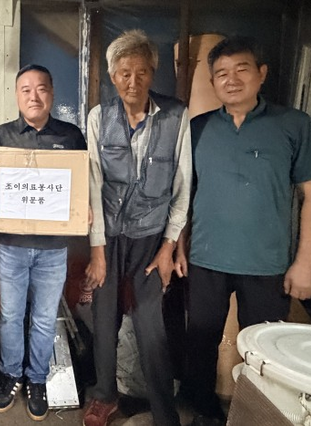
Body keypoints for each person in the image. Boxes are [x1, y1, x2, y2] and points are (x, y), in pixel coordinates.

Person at [175, 37, 311, 426]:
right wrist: (180, 245)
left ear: (261, 73)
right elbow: (186, 194)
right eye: (221, 73)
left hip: (267, 262)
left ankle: (256, 416)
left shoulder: (293, 125)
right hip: (206, 257)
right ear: (212, 81)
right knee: (200, 341)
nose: (231, 79)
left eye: (242, 69)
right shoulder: (198, 128)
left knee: (263, 352)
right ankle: (203, 412)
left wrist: (306, 262)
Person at [81, 29, 189, 426]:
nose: (133, 81)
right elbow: (93, 185)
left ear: (152, 74)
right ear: (113, 76)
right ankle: (104, 396)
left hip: (150, 237)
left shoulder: (176, 116)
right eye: (124, 72)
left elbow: (182, 185)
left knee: (149, 324)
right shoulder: (100, 117)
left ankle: (163, 410)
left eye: (141, 72)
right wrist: (97, 251)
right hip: (108, 235)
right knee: (103, 318)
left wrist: (168, 246)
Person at [0, 64, 87, 421]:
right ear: (16, 95)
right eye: (26, 89)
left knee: (44, 318)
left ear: (51, 92)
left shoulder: (71, 136)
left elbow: (81, 183)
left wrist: (84, 206)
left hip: (54, 249)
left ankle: (37, 379)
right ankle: (11, 375)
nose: (34, 96)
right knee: (10, 316)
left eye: (41, 89)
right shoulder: (1, 135)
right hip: (10, 247)